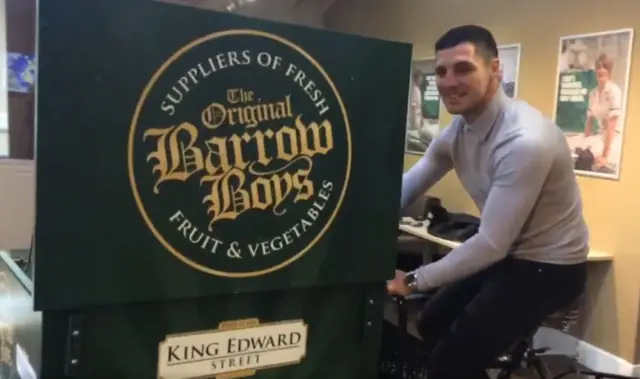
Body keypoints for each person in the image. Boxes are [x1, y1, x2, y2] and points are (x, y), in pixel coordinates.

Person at [387, 25, 589, 379]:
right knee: (432, 321)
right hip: (509, 254)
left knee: (448, 364)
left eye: (463, 68)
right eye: (441, 71)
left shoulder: (524, 140)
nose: (449, 81)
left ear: (496, 69)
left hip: (550, 267)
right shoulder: (459, 132)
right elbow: (409, 186)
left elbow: (492, 244)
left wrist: (415, 279)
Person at [583, 53, 623, 170]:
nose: (601, 70)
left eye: (604, 67)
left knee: (592, 159)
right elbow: (589, 121)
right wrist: (584, 140)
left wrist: (605, 156)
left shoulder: (614, 91)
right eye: (599, 67)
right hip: (599, 136)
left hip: (613, 138)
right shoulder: (593, 93)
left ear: (609, 71)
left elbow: (611, 127)